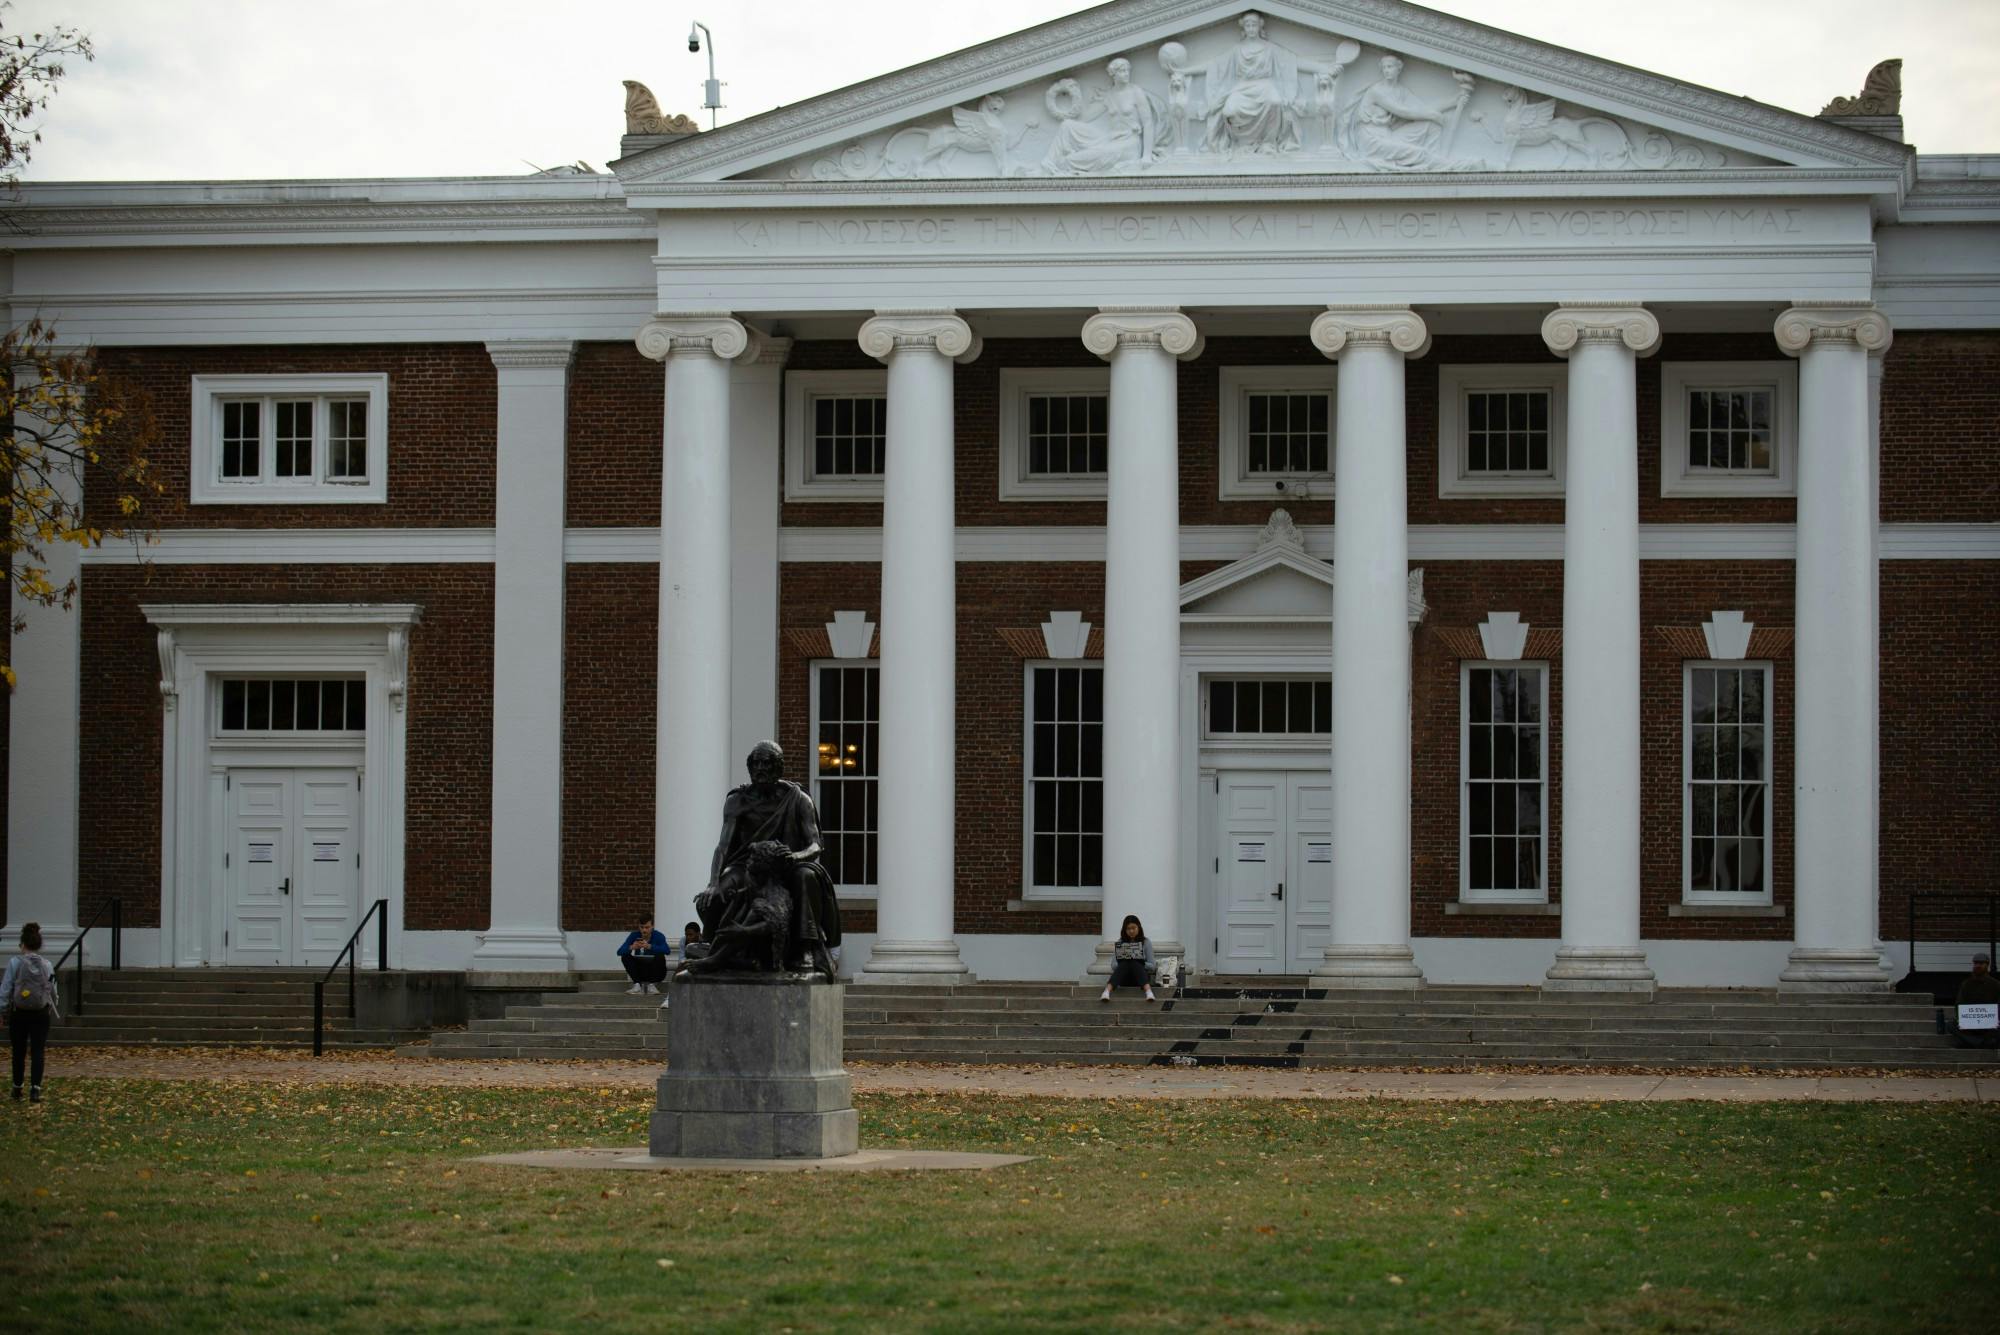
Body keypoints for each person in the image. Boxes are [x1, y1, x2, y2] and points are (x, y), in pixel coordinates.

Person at [2, 922, 60, 1103]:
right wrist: (51, 1005)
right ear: (39, 944)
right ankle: (35, 1089)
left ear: (22, 944)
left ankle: (17, 1087)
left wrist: (2, 1010)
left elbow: (6, 989)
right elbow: (53, 990)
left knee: (18, 1051)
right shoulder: (47, 964)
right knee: (38, 1051)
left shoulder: (14, 963)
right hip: (40, 1013)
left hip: (19, 1012)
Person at [1944, 951, 2000, 1049]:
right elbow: (1959, 1004)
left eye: (1981, 963)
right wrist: (1961, 1019)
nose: (1977, 966)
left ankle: (1969, 1042)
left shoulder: (1996, 984)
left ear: (1987, 965)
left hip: (1989, 1026)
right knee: (1950, 1025)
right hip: (1970, 1025)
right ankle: (1981, 1043)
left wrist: (1995, 1019)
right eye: (1976, 963)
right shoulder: (1966, 984)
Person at [1101, 914, 1156, 1003]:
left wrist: (1140, 962)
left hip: (1140, 979)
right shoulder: (1120, 942)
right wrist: (1125, 960)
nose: (1131, 931)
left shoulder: (1146, 942)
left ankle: (1148, 991)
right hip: (1124, 978)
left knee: (1134, 962)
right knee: (1127, 961)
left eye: (1133, 928)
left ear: (1138, 927)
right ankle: (1106, 991)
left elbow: (1153, 966)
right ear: (1124, 930)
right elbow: (1113, 965)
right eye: (1128, 929)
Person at [616, 916, 671, 995]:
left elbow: (667, 950)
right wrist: (632, 947)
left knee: (660, 956)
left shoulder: (658, 936)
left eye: (647, 927)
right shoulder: (634, 935)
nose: (644, 930)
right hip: (641, 971)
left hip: (657, 972)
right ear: (639, 927)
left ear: (652, 927)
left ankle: (652, 986)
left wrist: (649, 946)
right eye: (642, 927)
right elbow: (619, 951)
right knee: (625, 955)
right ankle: (637, 985)